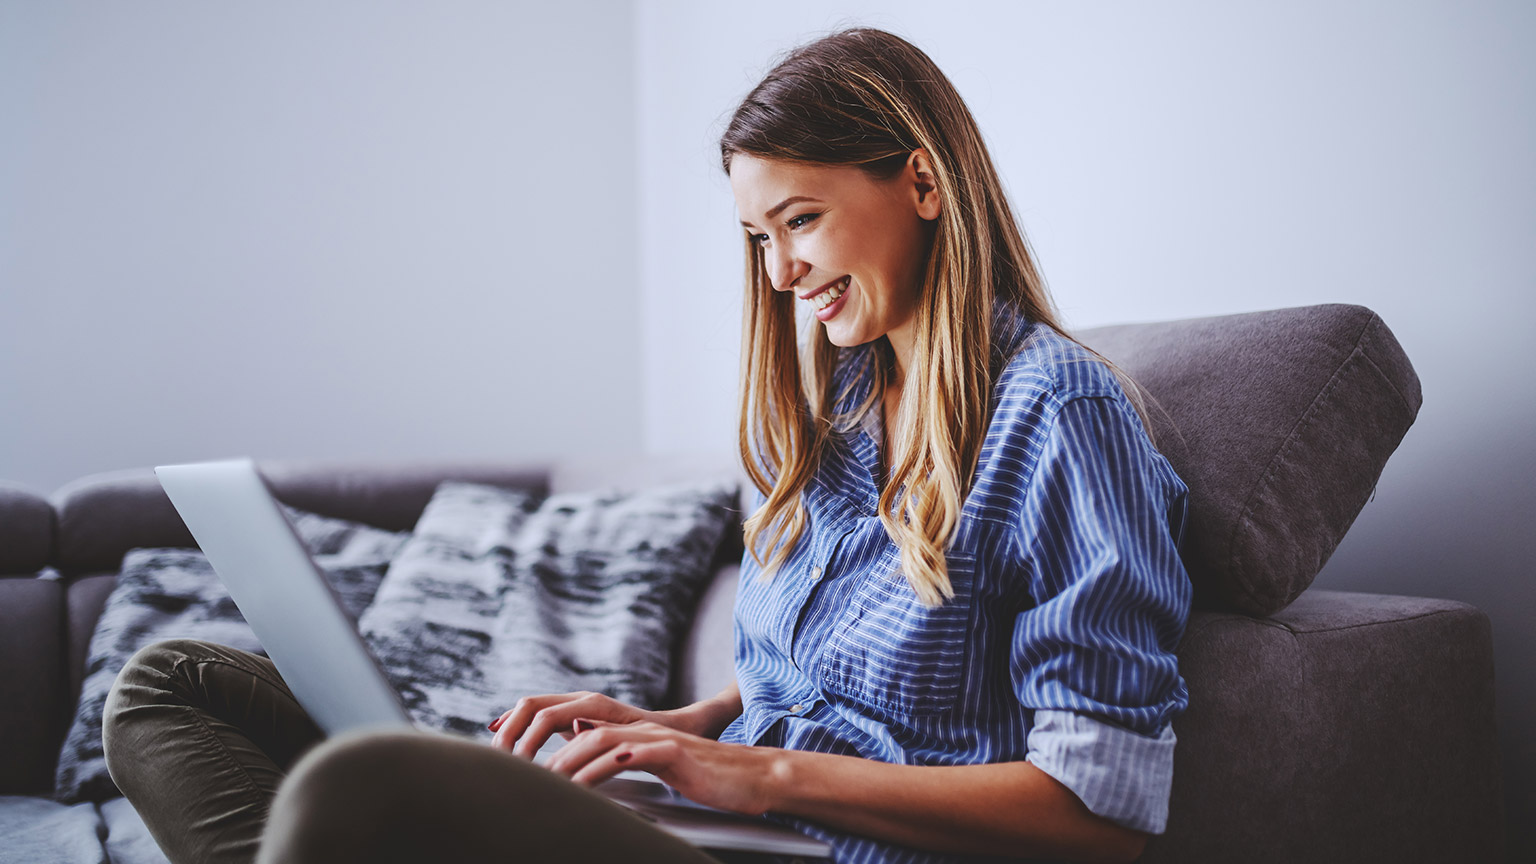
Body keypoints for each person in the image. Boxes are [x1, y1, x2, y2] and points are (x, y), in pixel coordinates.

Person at [103, 26, 1190, 864]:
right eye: (760, 238)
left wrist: (758, 773)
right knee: (170, 682)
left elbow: (1103, 813)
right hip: (727, 828)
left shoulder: (1059, 417)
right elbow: (821, 693)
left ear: (922, 182)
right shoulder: (842, 413)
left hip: (821, 849)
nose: (779, 274)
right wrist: (671, 730)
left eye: (800, 220)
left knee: (359, 793)